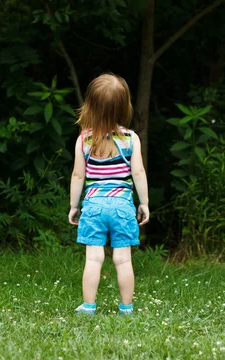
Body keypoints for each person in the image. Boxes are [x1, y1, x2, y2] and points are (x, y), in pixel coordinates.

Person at [68, 73, 150, 316]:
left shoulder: (84, 140)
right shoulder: (131, 139)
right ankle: (126, 308)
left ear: (90, 106)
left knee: (93, 259)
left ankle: (89, 306)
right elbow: (138, 172)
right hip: (122, 207)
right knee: (123, 260)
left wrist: (74, 206)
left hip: (93, 206)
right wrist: (143, 203)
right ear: (124, 106)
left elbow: (77, 176)